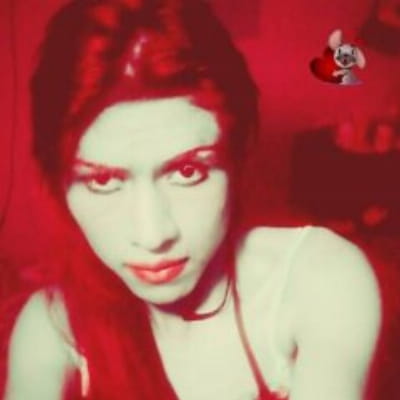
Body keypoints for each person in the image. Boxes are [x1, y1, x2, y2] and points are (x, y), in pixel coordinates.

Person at [3, 0, 381, 399]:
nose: (153, 235)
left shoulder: (317, 278)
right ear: (60, 183)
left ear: (236, 159)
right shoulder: (51, 329)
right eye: (102, 180)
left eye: (188, 172)